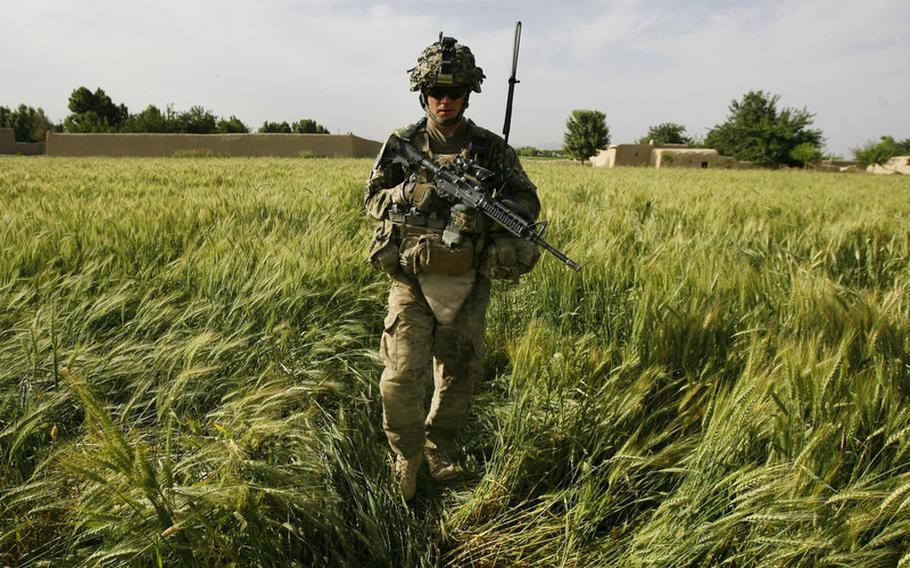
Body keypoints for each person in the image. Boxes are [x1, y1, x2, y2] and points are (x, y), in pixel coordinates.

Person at [364, 34, 541, 501]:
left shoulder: (491, 149)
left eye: (454, 92)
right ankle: (406, 453)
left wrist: (487, 209)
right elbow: (372, 201)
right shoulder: (403, 143)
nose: (445, 101)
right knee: (402, 375)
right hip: (411, 276)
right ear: (423, 94)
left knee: (459, 373)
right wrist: (411, 193)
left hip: (467, 277)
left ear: (467, 94)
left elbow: (527, 202)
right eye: (437, 93)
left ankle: (439, 447)